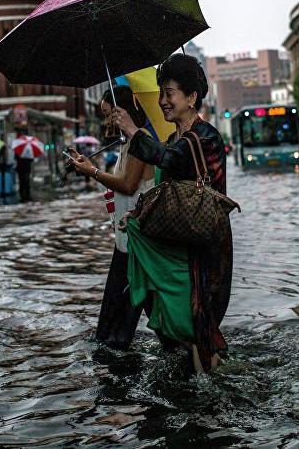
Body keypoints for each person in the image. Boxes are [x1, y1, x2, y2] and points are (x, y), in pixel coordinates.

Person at [111, 53, 232, 373]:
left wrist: (134, 131)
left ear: (192, 98)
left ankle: (215, 394)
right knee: (181, 326)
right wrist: (137, 215)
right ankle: (202, 387)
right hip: (175, 250)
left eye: (170, 93)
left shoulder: (205, 137)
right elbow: (163, 191)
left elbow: (174, 160)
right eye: (161, 93)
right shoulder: (171, 138)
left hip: (202, 251)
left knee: (198, 323)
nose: (163, 101)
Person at [69, 85, 156, 350]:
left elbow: (129, 185)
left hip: (137, 243)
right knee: (117, 320)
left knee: (116, 327)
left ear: (121, 112)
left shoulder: (140, 139)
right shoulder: (127, 143)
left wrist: (92, 171)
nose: (105, 121)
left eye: (108, 114)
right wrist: (89, 168)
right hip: (126, 240)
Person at [14, 129, 34, 202]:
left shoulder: (28, 150)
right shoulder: (19, 150)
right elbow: (16, 158)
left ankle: (26, 196)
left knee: (25, 182)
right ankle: (23, 196)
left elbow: (31, 159)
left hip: (24, 168)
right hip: (22, 168)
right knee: (23, 182)